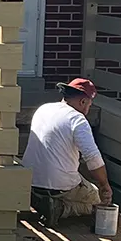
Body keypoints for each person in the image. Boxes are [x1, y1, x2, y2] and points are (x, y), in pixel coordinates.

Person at [21, 78, 113, 225]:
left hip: (29, 180)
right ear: (83, 102)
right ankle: (61, 208)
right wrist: (104, 184)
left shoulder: (44, 109)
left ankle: (43, 201)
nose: (88, 109)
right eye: (89, 104)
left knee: (74, 180)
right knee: (97, 198)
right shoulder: (77, 119)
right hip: (59, 185)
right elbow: (93, 158)